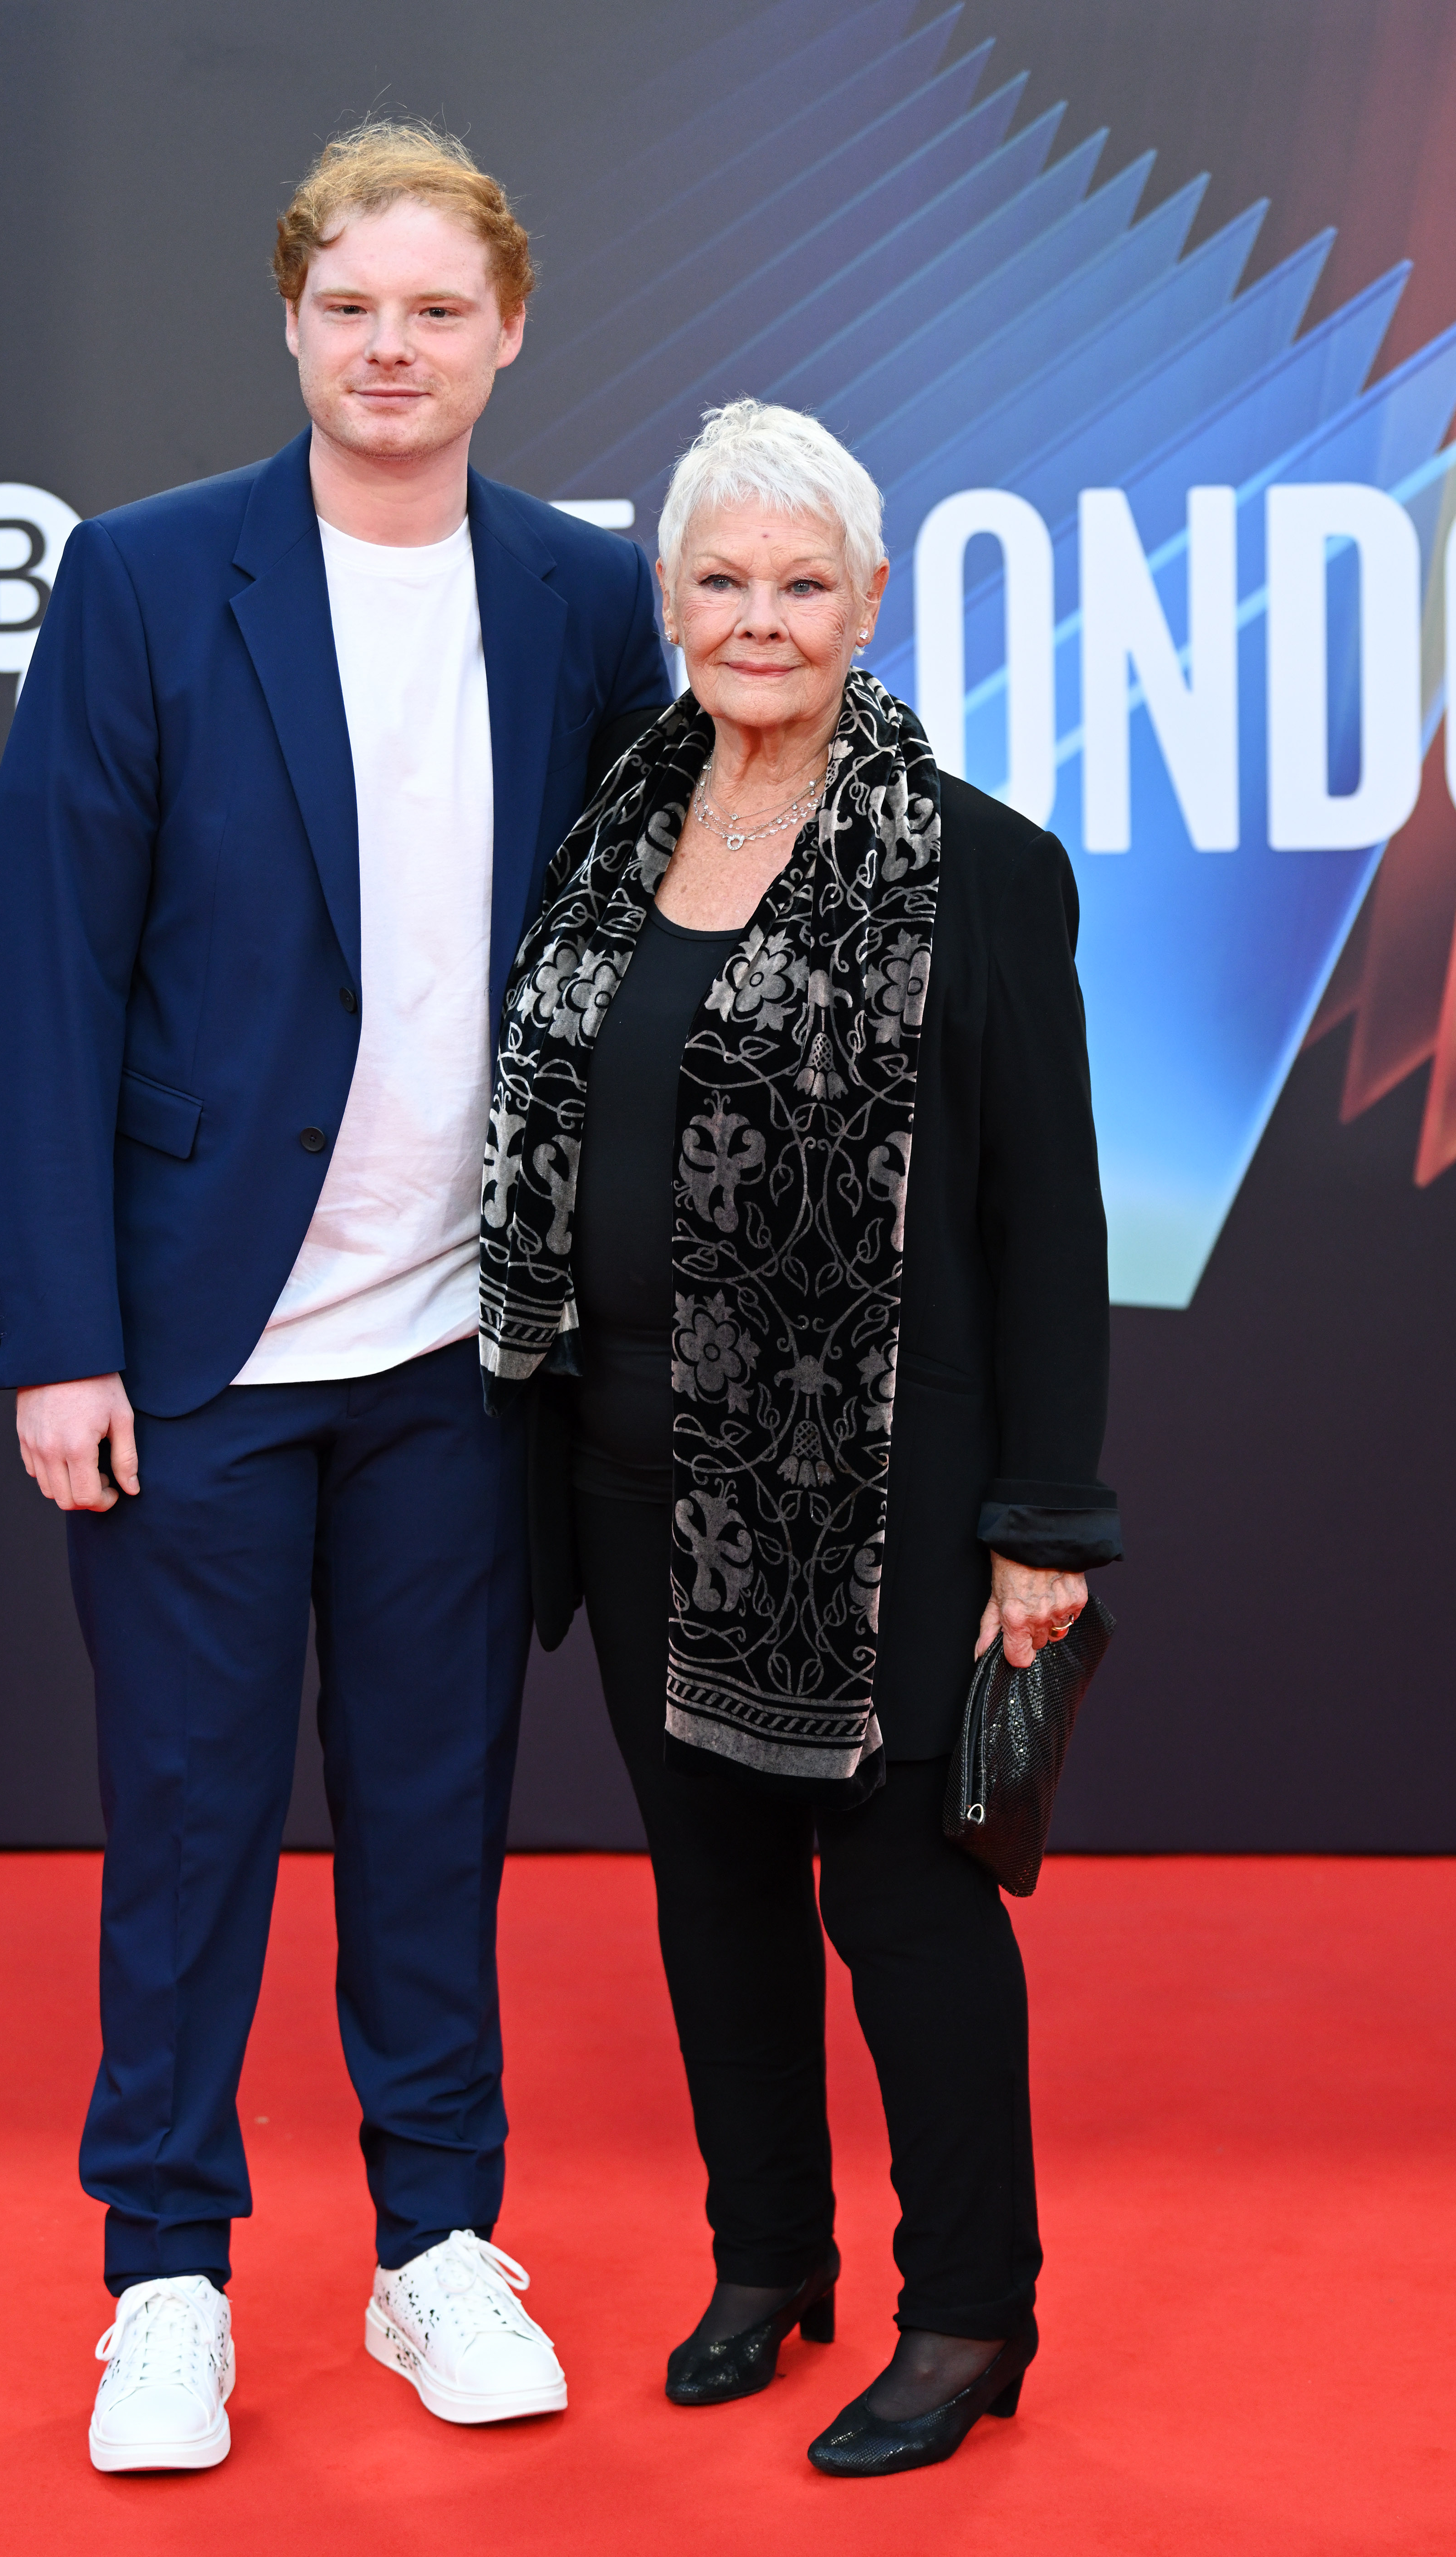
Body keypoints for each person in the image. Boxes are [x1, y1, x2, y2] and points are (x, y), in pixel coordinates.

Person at [0, 121, 670, 2471]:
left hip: (460, 1356)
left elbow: (625, 943)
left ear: (507, 334)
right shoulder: (152, 583)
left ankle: (431, 2251)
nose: (394, 349)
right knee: (184, 1831)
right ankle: (163, 2273)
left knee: (431, 1817)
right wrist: (61, 1335)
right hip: (193, 1355)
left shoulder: (577, 599)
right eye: (352, 306)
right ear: (292, 318)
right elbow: (47, 980)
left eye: (437, 311)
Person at [480, 400, 1121, 2479]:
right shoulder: (605, 833)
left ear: (866, 603)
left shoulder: (978, 871)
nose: (758, 620)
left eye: (801, 583)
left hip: (884, 1503)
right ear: (669, 598)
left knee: (904, 1914)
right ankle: (768, 2260)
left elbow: (1048, 1221)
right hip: (626, 1472)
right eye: (721, 580)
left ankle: (966, 2314)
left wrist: (1041, 1523)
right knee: (710, 1901)